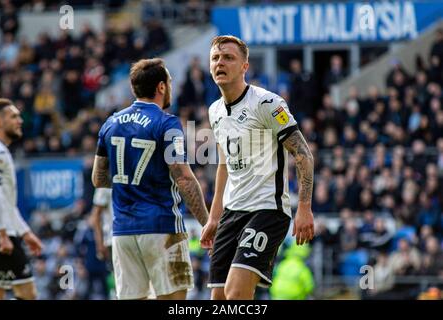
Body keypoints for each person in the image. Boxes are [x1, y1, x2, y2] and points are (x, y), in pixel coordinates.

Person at [200, 35, 315, 300]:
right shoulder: (214, 110)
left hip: (266, 209)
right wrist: (214, 217)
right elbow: (223, 165)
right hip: (232, 212)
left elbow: (303, 153)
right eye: (215, 58)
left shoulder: (267, 103)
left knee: (236, 294)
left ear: (244, 66)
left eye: (228, 57)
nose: (220, 63)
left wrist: (305, 208)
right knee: (218, 298)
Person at [92, 58, 209, 300]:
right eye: (170, 81)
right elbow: (184, 179)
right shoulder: (167, 123)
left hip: (122, 232)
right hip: (162, 228)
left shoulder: (110, 124)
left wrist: (132, 179)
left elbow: (98, 178)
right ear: (161, 87)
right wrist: (208, 224)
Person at [0, 98, 43, 300]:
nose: (20, 120)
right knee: (28, 293)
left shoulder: (0, 150)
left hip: (0, 232)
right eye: (13, 116)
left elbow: (5, 202)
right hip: (0, 236)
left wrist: (25, 232)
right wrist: (3, 234)